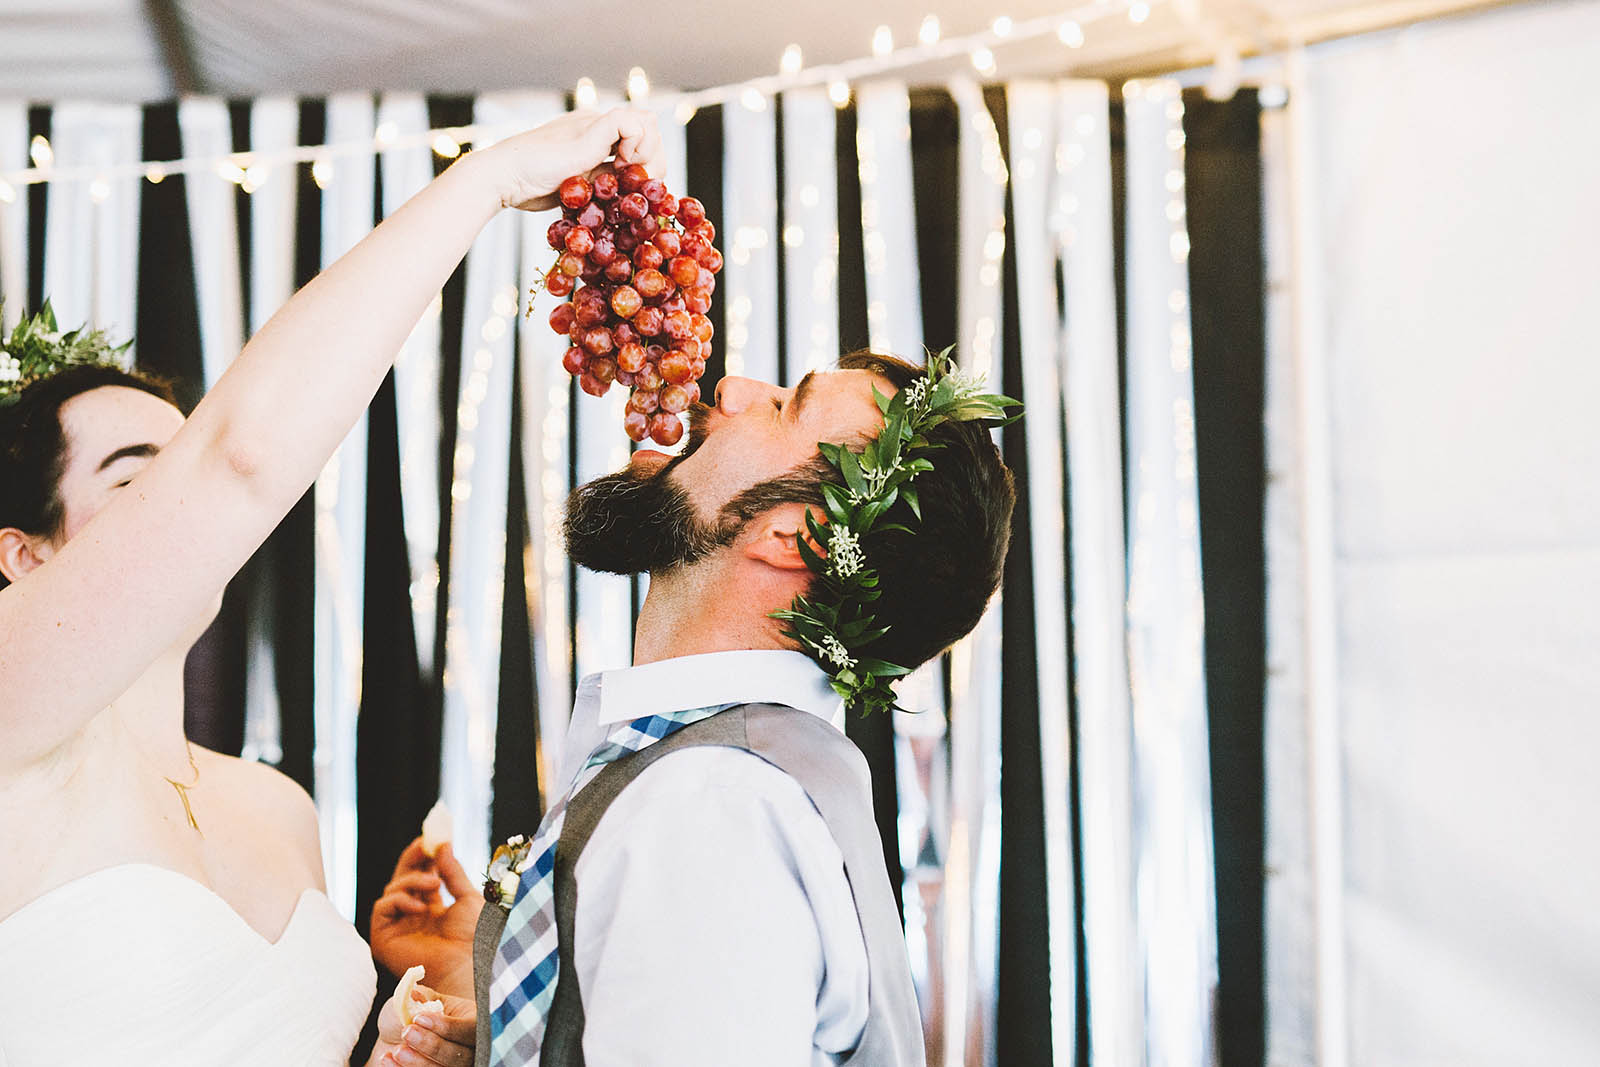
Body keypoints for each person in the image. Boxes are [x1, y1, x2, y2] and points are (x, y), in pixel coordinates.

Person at [0, 107, 663, 1067]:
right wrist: (485, 180)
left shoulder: (277, 809)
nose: (179, 515)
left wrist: (415, 1032)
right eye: (140, 479)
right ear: (24, 556)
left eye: (178, 464)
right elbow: (241, 457)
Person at [378, 350, 1017, 1066]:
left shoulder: (710, 808)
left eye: (784, 406)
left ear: (795, 536)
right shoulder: (740, 783)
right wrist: (503, 982)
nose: (733, 388)